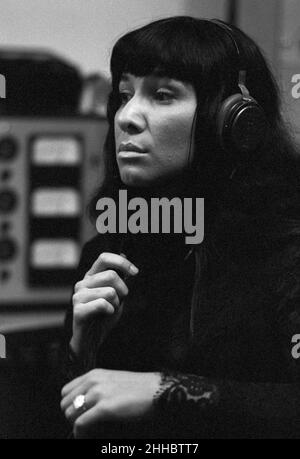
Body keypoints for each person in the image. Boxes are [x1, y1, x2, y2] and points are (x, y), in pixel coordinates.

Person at [60, 16, 300, 438]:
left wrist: (164, 389)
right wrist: (83, 348)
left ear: (233, 121)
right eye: (124, 95)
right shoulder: (111, 250)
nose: (127, 118)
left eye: (163, 95)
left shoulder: (285, 253)